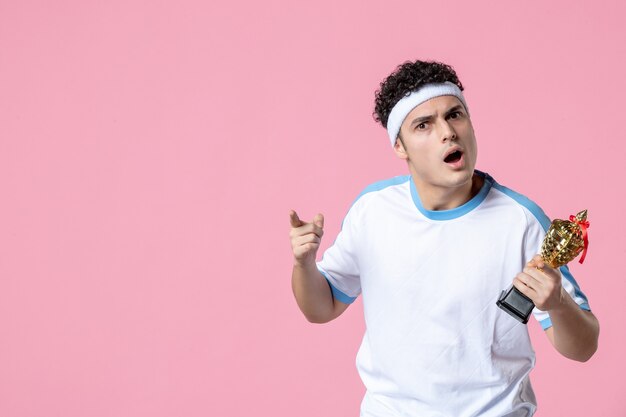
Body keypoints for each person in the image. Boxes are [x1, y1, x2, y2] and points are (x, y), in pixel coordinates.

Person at [289, 60, 599, 417]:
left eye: (455, 115)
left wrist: (558, 302)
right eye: (424, 124)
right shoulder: (372, 211)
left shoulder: (522, 221)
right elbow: (320, 307)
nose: (448, 132)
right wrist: (303, 264)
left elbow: (585, 346)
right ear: (400, 147)